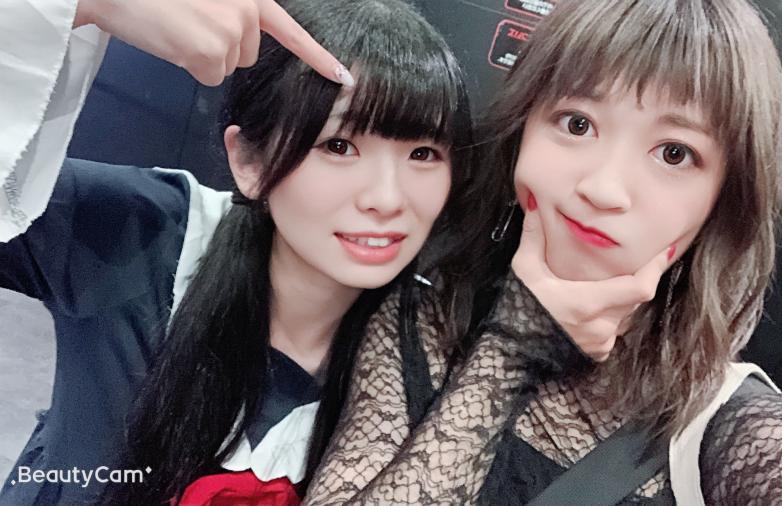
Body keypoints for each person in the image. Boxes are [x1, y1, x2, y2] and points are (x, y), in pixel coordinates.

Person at [301, 0, 782, 504]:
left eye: (675, 153)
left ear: (722, 201)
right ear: (522, 132)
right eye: (577, 124)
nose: (604, 188)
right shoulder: (421, 322)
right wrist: (512, 347)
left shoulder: (743, 434)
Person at [0, 0, 481, 503]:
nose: (387, 198)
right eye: (339, 146)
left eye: (423, 154)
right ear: (249, 162)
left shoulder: (433, 354)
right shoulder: (145, 234)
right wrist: (80, 6)